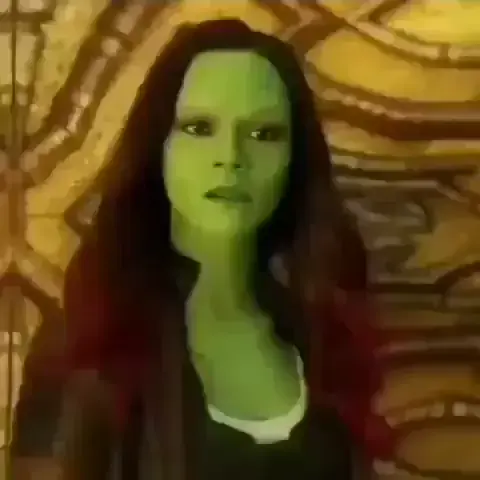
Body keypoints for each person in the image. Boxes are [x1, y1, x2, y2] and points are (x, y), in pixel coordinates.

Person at [11, 18, 395, 480]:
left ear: (295, 159)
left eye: (264, 134)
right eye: (199, 127)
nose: (230, 157)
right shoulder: (92, 339)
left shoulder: (322, 336)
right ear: (160, 147)